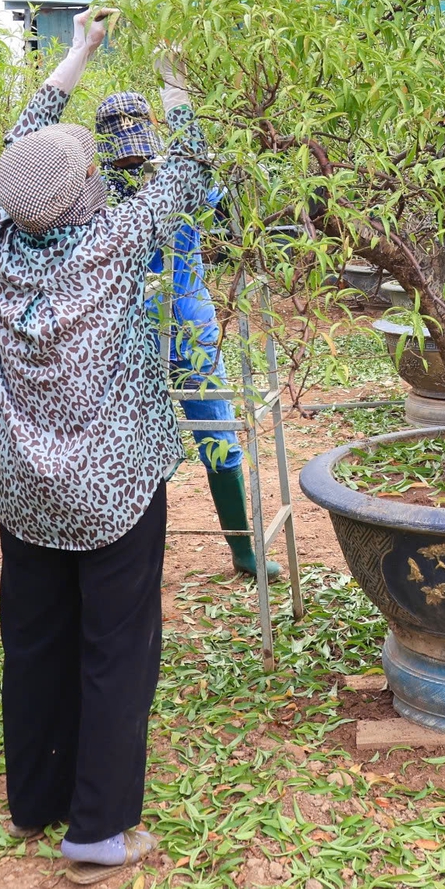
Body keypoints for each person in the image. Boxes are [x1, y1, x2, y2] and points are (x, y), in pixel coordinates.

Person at [0, 11, 207, 883]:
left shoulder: (3, 240)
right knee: (117, 648)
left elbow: (22, 147)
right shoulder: (113, 242)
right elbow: (183, 173)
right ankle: (98, 832)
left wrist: (76, 53)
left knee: (34, 641)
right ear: (88, 187)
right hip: (113, 490)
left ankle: (37, 802)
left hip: (28, 491)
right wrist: (176, 78)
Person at [94, 91, 270, 577]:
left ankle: (242, 549)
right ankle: (132, 556)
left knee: (215, 425)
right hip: (126, 330)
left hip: (182, 322)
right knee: (130, 441)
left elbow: (207, 182)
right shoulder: (98, 188)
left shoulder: (171, 176)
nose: (131, 156)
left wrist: (179, 102)